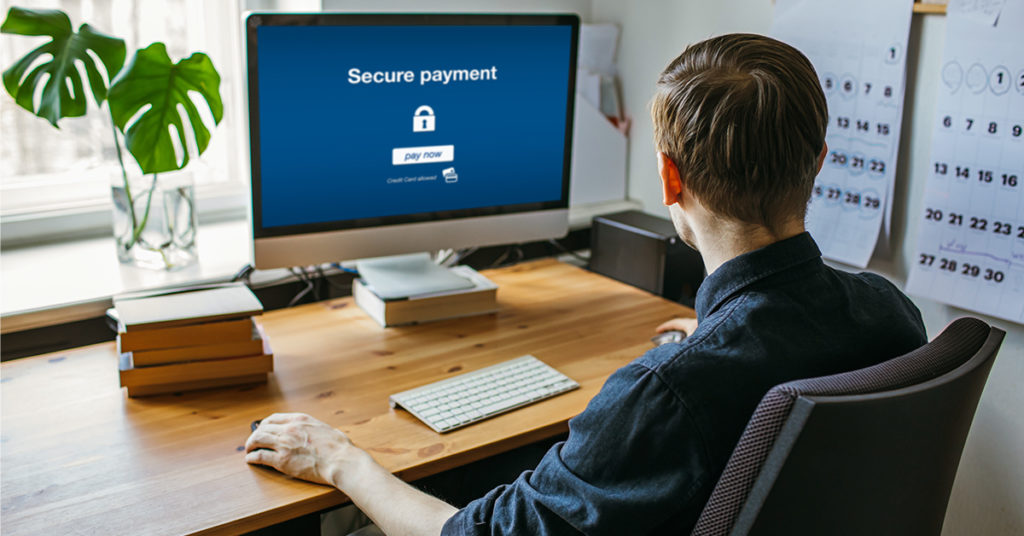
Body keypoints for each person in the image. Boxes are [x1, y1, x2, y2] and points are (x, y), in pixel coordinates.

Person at [244, 33, 926, 535]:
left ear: (669, 179)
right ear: (819, 163)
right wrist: (717, 336)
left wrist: (340, 459)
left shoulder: (668, 390)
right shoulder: (891, 316)